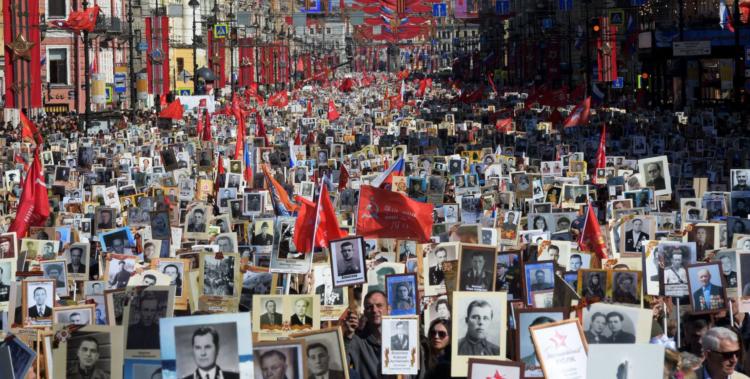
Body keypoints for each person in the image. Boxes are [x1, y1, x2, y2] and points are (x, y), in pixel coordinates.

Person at [343, 290, 390, 379]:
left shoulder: (400, 339)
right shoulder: (357, 340)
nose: (375, 310)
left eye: (379, 305)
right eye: (369, 307)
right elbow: (341, 367)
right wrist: (348, 336)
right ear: (365, 313)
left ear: (389, 309)